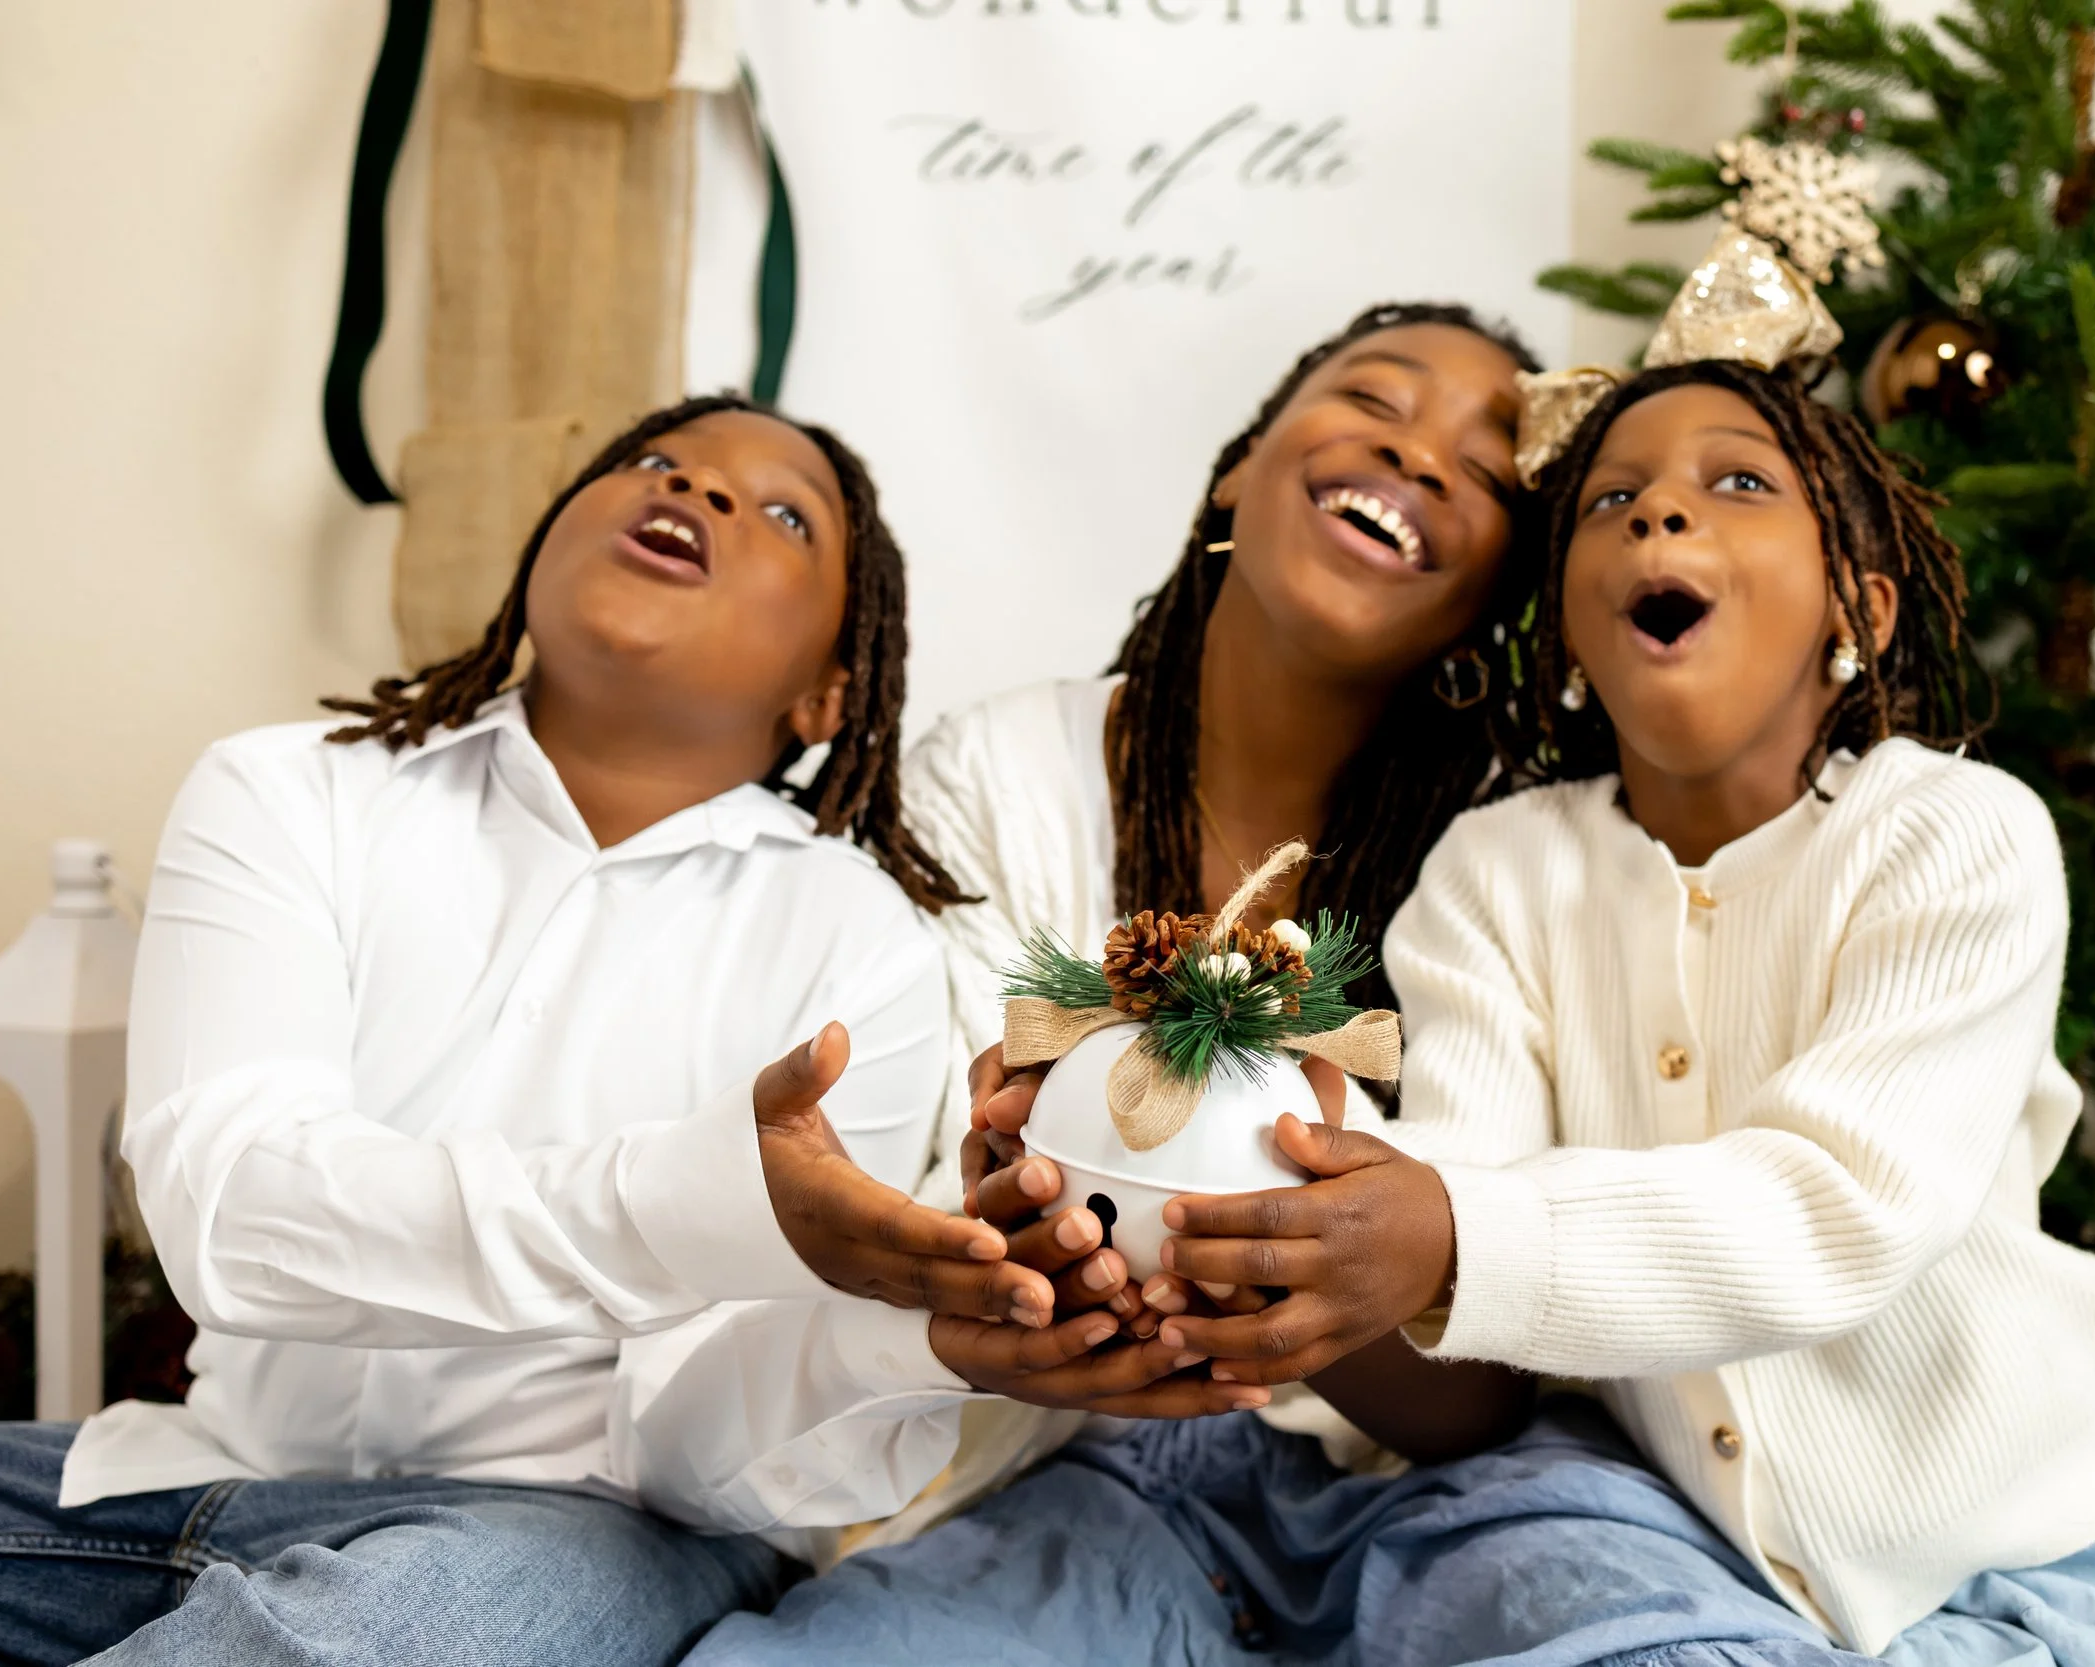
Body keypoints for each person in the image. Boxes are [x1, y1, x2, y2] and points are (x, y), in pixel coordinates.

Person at [1147, 324, 2095, 1661]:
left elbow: (1839, 1201)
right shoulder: (1497, 869)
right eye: (1612, 500)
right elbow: (1469, 1282)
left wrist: (1451, 1230)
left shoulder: (1953, 831)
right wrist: (1306, 1261)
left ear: (1859, 609)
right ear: (1569, 622)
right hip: (1693, 1545)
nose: (1662, 508)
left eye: (1738, 482)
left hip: (2083, 1519)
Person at [683, 306, 1864, 1666]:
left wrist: (1322, 1283)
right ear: (1243, 466)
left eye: (1485, 472)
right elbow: (922, 1209)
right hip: (1059, 1468)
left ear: (1503, 595)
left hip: (1409, 1483)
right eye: (1374, 395)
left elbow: (1474, 1385)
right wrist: (1009, 1239)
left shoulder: (1514, 864)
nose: (1416, 454)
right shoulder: (998, 774)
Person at [0, 394, 1125, 1667]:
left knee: (378, 1639)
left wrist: (913, 1320)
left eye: (779, 514)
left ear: (829, 692)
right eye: (657, 462)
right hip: (196, 1469)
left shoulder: (859, 941)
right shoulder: (288, 789)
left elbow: (707, 1463)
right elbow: (233, 1210)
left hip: (591, 1525)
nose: (695, 490)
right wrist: (675, 1200)